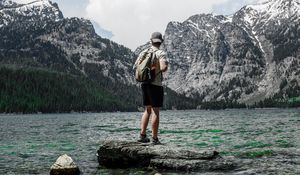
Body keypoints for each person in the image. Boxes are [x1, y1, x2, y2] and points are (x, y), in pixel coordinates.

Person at [135, 32, 168, 145]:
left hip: (144, 83)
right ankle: (155, 139)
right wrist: (163, 67)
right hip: (155, 84)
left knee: (147, 110)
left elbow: (136, 67)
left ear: (151, 40)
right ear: (161, 42)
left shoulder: (143, 52)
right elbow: (163, 67)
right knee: (155, 111)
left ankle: (142, 135)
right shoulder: (160, 52)